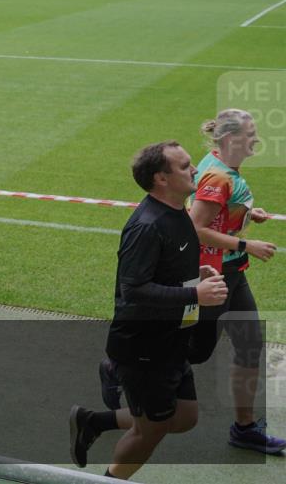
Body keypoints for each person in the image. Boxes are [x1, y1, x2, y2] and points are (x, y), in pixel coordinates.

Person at [69, 141, 227, 479]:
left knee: (184, 417)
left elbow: (162, 270)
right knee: (149, 430)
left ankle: (93, 421)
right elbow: (134, 290)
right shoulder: (146, 226)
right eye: (185, 166)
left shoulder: (178, 211)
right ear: (161, 179)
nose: (195, 170)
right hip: (143, 348)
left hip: (171, 340)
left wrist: (193, 278)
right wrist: (196, 294)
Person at [185, 109, 282, 454]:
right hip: (213, 274)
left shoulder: (221, 168)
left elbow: (217, 209)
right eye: (250, 133)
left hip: (233, 274)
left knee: (250, 345)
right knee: (194, 352)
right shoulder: (218, 176)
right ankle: (119, 366)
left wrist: (245, 213)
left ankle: (244, 428)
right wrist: (247, 244)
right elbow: (195, 228)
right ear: (230, 139)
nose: (255, 139)